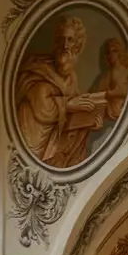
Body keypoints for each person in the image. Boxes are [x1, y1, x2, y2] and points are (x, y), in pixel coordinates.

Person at [15, 15, 112, 168]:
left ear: (77, 45)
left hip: (54, 140)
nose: (65, 45)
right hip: (33, 137)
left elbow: (69, 116)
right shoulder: (38, 69)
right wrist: (68, 105)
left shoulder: (71, 77)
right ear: (56, 41)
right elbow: (43, 108)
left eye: (70, 40)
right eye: (62, 39)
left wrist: (90, 123)